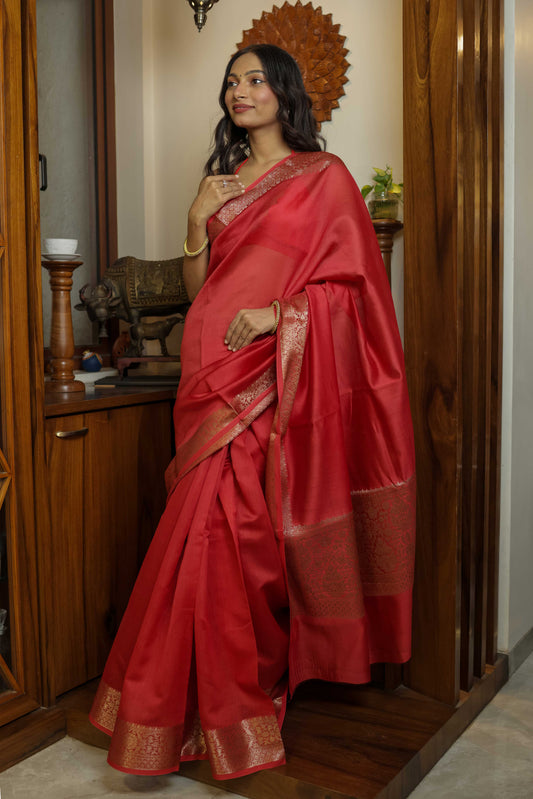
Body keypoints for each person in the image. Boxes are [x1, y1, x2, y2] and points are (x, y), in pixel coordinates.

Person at [90, 44, 416, 781]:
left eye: (256, 79)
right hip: (208, 370)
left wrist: (281, 314)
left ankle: (229, 698)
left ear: (284, 92)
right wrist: (193, 221)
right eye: (232, 81)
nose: (241, 90)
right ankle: (190, 706)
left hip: (271, 373)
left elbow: (356, 292)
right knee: (205, 530)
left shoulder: (324, 177)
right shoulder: (221, 182)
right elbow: (197, 286)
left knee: (242, 536)